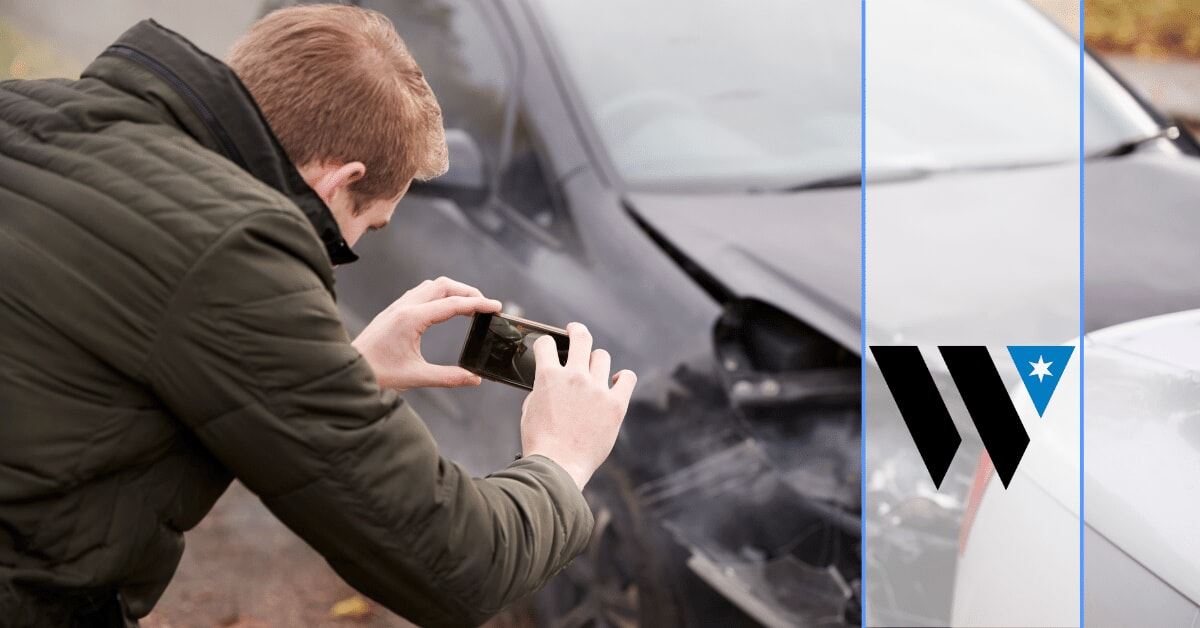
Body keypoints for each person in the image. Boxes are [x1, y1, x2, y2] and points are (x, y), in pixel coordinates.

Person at [0, 5, 636, 626]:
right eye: (365, 225)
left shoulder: (25, 110)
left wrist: (343, 367)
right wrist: (560, 459)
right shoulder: (232, 253)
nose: (351, 251)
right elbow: (456, 564)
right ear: (339, 182)